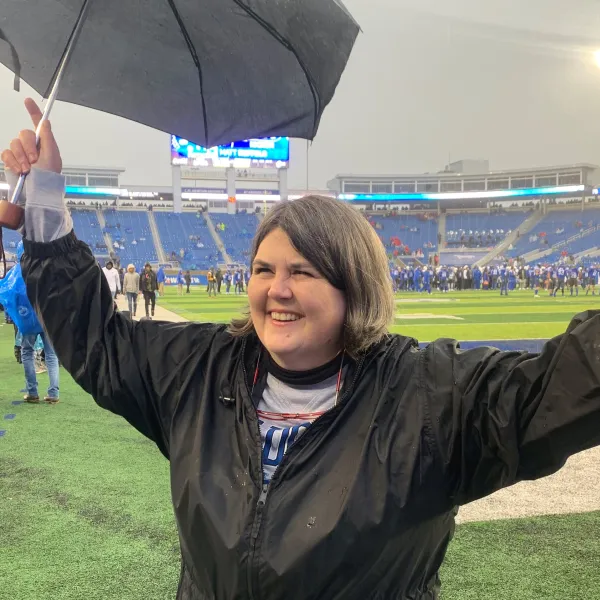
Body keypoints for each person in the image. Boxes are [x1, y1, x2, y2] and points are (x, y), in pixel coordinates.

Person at [5, 99, 600, 600]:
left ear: (353, 285)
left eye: (303, 271)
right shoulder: (198, 369)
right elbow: (97, 341)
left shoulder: (429, 398)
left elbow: (559, 389)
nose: (276, 289)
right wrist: (46, 199)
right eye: (263, 268)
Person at [20, 330, 60, 404]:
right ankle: (54, 394)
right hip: (48, 321)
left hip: (30, 320)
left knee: (27, 352)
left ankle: (32, 392)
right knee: (51, 355)